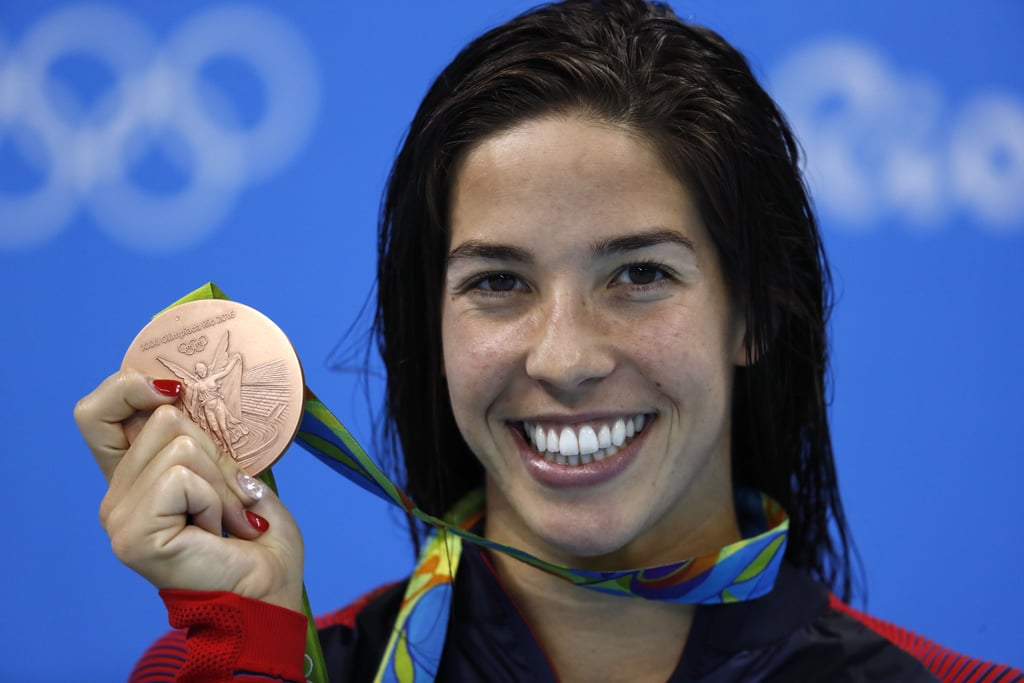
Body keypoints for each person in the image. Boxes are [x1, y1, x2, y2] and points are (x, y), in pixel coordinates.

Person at [74, 1, 1023, 681]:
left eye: (640, 274)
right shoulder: (249, 661)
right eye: (498, 282)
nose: (564, 358)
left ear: (755, 313)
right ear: (430, 327)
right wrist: (248, 644)